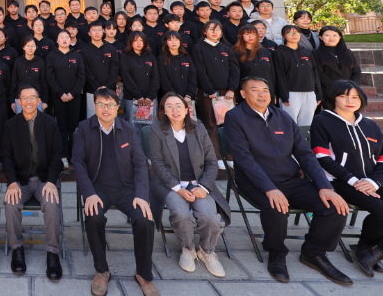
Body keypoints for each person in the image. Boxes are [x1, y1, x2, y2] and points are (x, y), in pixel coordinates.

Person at [223, 77, 352, 285]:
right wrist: (269, 188)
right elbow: (244, 158)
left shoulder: (282, 116)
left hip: (291, 180)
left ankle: (314, 252)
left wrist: (325, 186)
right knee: (276, 208)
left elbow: (305, 154)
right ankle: (276, 252)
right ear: (244, 94)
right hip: (255, 182)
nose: (262, 94)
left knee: (334, 207)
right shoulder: (235, 117)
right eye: (255, 90)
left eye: (265, 90)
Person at [311, 80, 383, 277]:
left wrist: (373, 182)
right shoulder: (323, 121)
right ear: (333, 98)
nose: (350, 101)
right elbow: (322, 157)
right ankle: (365, 247)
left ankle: (372, 252)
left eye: (355, 97)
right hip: (340, 181)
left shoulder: (370, 125)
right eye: (343, 96)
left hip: (371, 182)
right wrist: (353, 180)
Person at [73, 88, 156, 296]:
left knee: (145, 219)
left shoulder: (127, 128)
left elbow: (140, 163)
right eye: (101, 104)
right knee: (93, 217)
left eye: (110, 104)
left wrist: (141, 195)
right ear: (95, 106)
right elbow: (78, 163)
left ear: (117, 107)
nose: (105, 108)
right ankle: (101, 271)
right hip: (97, 187)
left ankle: (143, 273)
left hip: (126, 188)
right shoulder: (84, 128)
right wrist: (89, 193)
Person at [149, 93, 230, 277]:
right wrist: (178, 189)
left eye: (179, 106)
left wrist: (204, 187)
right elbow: (158, 163)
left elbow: (211, 162)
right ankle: (188, 248)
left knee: (210, 217)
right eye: (169, 106)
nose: (175, 110)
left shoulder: (198, 129)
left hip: (198, 184)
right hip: (172, 185)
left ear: (187, 109)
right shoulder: (157, 130)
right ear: (163, 111)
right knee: (181, 214)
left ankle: (207, 251)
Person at [2, 86, 64, 280]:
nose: (28, 101)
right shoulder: (11, 125)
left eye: (32, 97)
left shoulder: (50, 122)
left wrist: (52, 182)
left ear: (39, 101)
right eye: (24, 98)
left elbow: (57, 157)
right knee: (11, 204)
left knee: (52, 205)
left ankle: (52, 253)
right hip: (21, 180)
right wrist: (12, 182)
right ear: (19, 102)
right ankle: (17, 249)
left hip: (44, 180)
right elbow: (6, 157)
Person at [190, 21, 239, 142]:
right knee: (211, 126)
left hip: (227, 94)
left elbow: (235, 71)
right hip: (208, 93)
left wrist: (232, 90)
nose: (214, 32)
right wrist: (209, 90)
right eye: (211, 29)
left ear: (221, 33)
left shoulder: (226, 49)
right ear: (204, 31)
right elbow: (200, 71)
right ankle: (215, 154)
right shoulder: (198, 47)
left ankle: (230, 153)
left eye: (217, 30)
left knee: (230, 124)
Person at [46, 30, 86, 164]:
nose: (64, 39)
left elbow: (81, 76)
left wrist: (73, 93)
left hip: (75, 96)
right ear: (57, 40)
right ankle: (63, 155)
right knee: (61, 126)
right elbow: (50, 77)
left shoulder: (77, 55)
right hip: (58, 97)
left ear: (71, 40)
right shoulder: (51, 56)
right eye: (61, 37)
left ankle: (75, 155)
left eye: (67, 37)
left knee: (73, 126)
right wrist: (60, 93)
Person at [274, 25, 323, 125]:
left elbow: (314, 73)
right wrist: (284, 96)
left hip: (309, 93)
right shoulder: (279, 53)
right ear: (283, 35)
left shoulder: (306, 52)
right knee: (289, 124)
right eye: (290, 33)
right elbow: (279, 75)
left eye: (297, 33)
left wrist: (318, 94)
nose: (294, 35)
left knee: (306, 125)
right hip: (291, 93)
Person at [233, 25, 276, 103]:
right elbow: (235, 76)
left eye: (253, 34)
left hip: (266, 93)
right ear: (241, 36)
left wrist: (273, 94)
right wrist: (236, 95)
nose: (250, 36)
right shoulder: (237, 53)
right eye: (247, 34)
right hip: (248, 94)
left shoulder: (265, 52)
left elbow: (272, 74)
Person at [313, 26, 362, 92]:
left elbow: (356, 72)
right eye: (327, 35)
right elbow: (319, 74)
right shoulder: (315, 53)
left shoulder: (348, 53)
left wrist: (352, 86)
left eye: (334, 35)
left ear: (340, 37)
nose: (331, 38)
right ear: (321, 37)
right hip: (329, 91)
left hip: (349, 91)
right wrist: (336, 88)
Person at [12, 36, 49, 112]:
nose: (30, 48)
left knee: (37, 119)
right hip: (20, 99)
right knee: (21, 119)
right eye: (28, 46)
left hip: (37, 99)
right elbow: (14, 82)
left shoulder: (40, 62)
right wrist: (12, 100)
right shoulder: (18, 62)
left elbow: (44, 82)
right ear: (23, 47)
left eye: (33, 46)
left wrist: (45, 100)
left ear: (36, 47)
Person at [159, 32, 197, 102]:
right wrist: (175, 96)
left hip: (188, 98)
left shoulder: (187, 58)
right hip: (170, 98)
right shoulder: (161, 59)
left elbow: (193, 77)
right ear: (166, 42)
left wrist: (189, 95)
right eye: (170, 40)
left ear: (180, 41)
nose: (174, 42)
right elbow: (164, 80)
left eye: (176, 40)